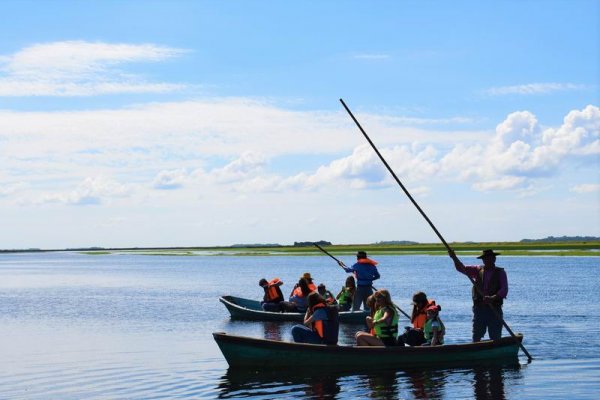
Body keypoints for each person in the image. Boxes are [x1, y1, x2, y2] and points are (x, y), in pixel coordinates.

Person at [449, 249, 508, 341]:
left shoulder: (500, 272)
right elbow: (461, 268)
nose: (487, 260)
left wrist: (493, 298)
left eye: (489, 258)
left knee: (495, 335)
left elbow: (504, 289)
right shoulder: (478, 270)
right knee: (477, 335)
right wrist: (454, 258)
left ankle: (496, 350)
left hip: (494, 309)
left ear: (494, 259)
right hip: (480, 309)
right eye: (485, 259)